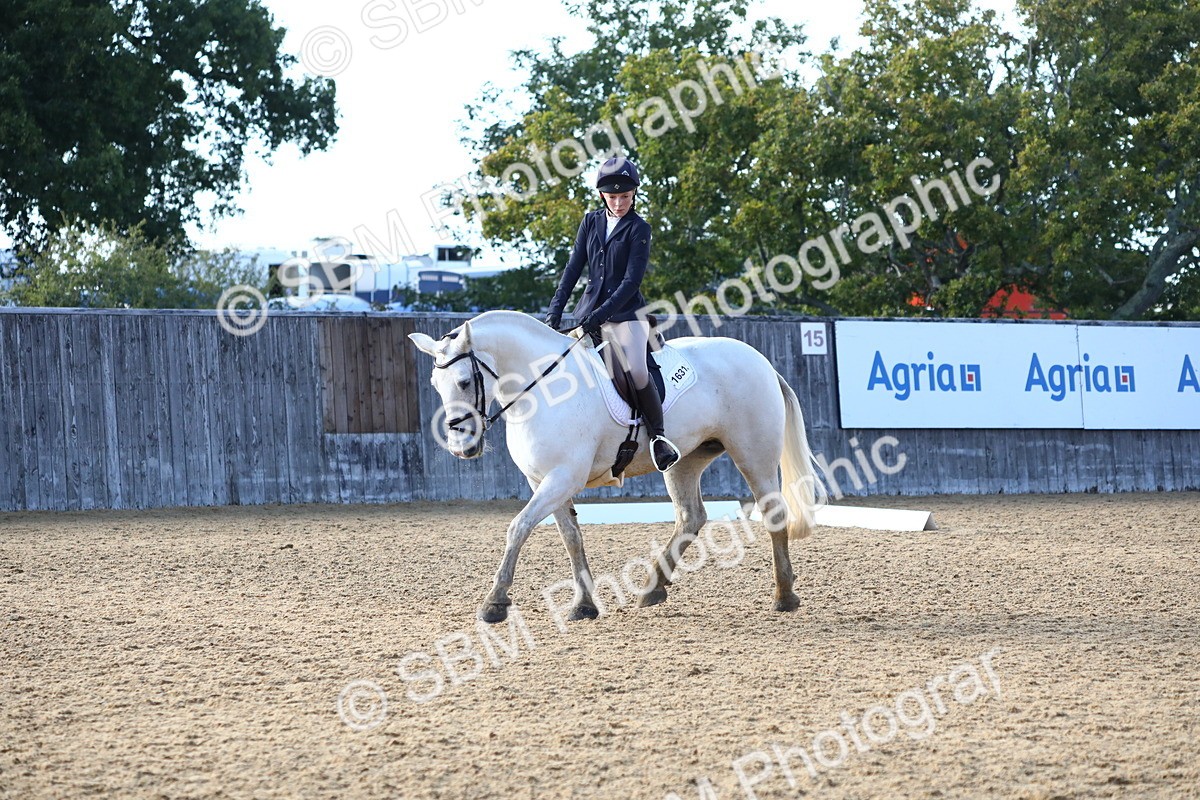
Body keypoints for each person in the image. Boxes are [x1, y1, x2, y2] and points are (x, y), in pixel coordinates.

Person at [543, 157, 682, 472]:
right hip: (587, 312)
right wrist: (555, 310)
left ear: (634, 195)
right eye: (612, 197)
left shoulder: (639, 228)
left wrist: (601, 316)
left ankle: (659, 438)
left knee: (635, 371)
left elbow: (631, 283)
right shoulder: (590, 222)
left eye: (625, 196)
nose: (619, 203)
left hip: (627, 315)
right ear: (602, 195)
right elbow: (573, 268)